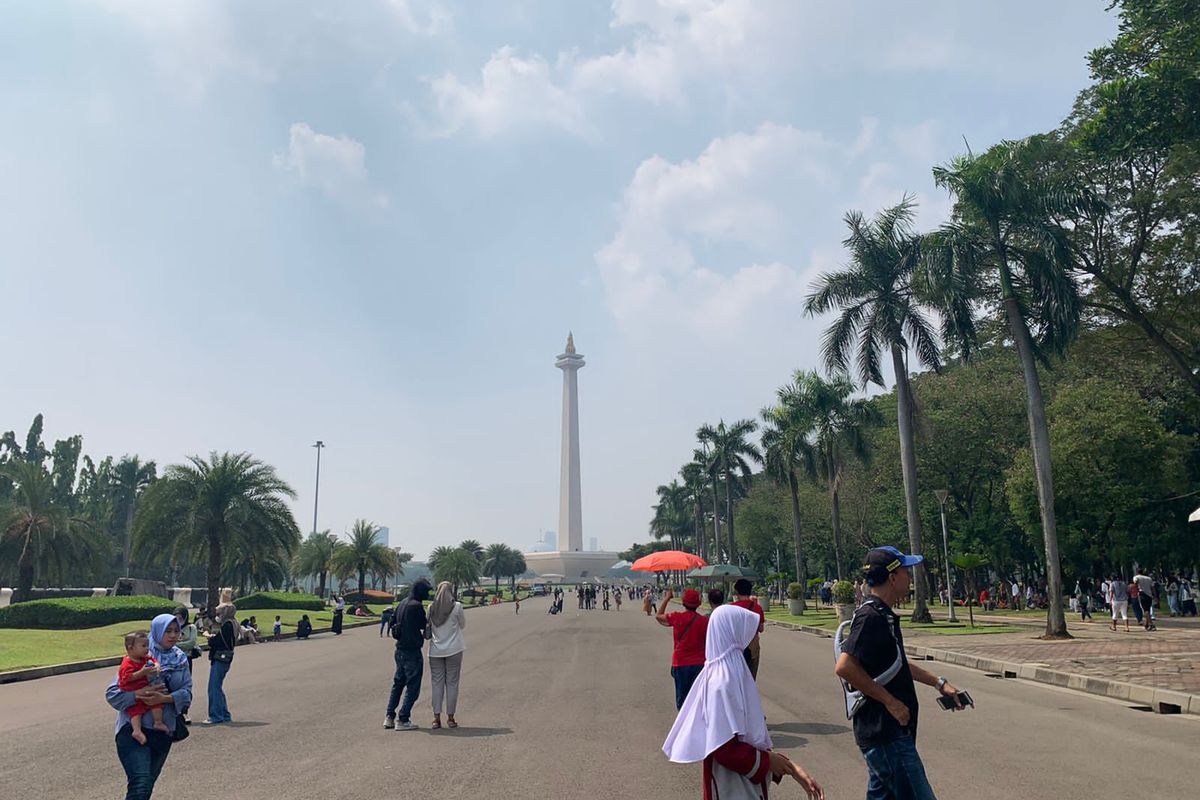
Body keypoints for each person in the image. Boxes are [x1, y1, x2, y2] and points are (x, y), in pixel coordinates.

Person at [835, 547, 969, 799]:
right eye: (906, 572)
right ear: (892, 577)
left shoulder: (882, 615)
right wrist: (891, 702)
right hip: (886, 734)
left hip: (886, 735)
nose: (910, 577)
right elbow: (845, 667)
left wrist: (939, 683)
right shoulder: (871, 617)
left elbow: (896, 663)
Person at [663, 604, 824, 800]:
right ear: (736, 634)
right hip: (730, 786)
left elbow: (748, 737)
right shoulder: (722, 682)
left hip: (741, 783)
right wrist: (768, 761)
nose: (756, 639)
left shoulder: (731, 673)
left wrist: (789, 767)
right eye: (753, 633)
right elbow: (723, 748)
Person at [106, 613, 192, 800]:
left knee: (146, 786)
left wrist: (165, 698)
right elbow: (113, 694)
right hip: (134, 730)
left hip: (163, 731)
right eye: (167, 631)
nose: (172, 635)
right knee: (140, 782)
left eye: (176, 631)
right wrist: (139, 693)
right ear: (157, 631)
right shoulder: (139, 657)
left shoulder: (181, 659)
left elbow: (187, 694)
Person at [385, 579, 431, 731]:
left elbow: (392, 622)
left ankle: (389, 716)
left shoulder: (403, 603)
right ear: (420, 591)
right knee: (413, 686)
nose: (428, 593)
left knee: (398, 683)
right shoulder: (416, 606)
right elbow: (423, 626)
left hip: (399, 650)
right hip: (412, 650)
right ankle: (403, 718)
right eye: (426, 591)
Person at [656, 588, 709, 710]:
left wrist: (667, 598)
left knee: (682, 699)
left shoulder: (677, 617)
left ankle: (683, 725)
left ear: (683, 603)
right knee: (698, 699)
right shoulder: (704, 621)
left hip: (680, 662)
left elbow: (659, 616)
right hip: (699, 663)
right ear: (699, 604)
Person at [427, 581, 467, 730]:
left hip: (435, 651)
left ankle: (436, 718)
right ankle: (450, 717)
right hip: (454, 649)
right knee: (452, 683)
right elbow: (462, 625)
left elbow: (428, 625)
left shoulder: (431, 607)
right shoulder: (457, 607)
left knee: (436, 684)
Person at [118, 630, 169, 744]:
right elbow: (125, 678)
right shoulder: (127, 663)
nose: (147, 649)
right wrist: (141, 673)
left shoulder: (145, 658)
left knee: (156, 703)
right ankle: (136, 731)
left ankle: (158, 722)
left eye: (147, 645)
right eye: (143, 646)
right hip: (133, 691)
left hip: (148, 688)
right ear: (131, 648)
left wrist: (157, 665)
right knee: (136, 711)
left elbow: (154, 660)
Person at [203, 603, 238, 724]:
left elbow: (217, 641)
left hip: (220, 657)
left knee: (213, 687)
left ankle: (216, 715)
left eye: (219, 613)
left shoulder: (227, 625)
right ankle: (224, 714)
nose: (217, 616)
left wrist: (208, 636)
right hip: (227, 656)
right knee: (217, 686)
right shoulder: (234, 623)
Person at [731, 579, 765, 680]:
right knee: (750, 679)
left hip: (736, 646)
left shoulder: (732, 608)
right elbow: (761, 628)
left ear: (737, 592)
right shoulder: (757, 608)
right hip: (752, 646)